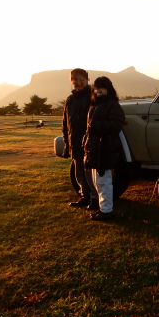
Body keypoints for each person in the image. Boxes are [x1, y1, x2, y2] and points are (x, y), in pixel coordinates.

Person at [82, 76, 125, 221]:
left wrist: (95, 125)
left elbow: (115, 126)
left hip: (105, 149)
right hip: (94, 149)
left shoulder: (113, 105)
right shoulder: (95, 106)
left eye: (102, 87)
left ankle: (106, 211)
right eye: (96, 87)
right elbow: (90, 130)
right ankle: (103, 209)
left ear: (108, 89)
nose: (98, 90)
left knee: (104, 181)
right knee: (97, 182)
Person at [62, 68, 99, 210]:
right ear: (71, 81)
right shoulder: (70, 99)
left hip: (88, 142)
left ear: (87, 79)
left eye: (81, 79)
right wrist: (67, 142)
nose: (78, 82)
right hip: (74, 142)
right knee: (78, 173)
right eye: (75, 79)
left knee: (89, 173)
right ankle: (85, 196)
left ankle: (95, 199)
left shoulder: (92, 96)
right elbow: (65, 123)